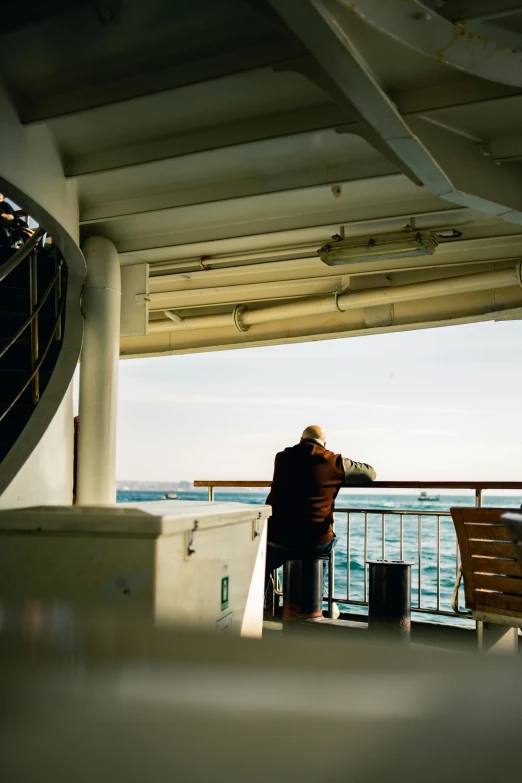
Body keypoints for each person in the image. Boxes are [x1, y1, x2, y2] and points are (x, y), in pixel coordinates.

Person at [264, 424, 376, 606]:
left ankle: (260, 608)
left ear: (300, 440)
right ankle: (313, 605)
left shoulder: (282, 457)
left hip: (278, 537)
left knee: (262, 565)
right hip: (314, 540)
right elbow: (370, 474)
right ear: (324, 444)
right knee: (324, 547)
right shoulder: (334, 461)